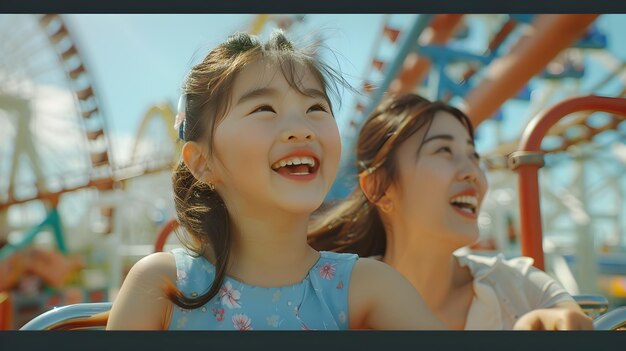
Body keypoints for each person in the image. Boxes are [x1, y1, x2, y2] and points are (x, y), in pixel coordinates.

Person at [106, 32, 446, 330]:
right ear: (202, 162)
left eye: (316, 107)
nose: (303, 127)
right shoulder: (163, 286)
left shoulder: (367, 287)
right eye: (264, 109)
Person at [308, 94, 593, 330]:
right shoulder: (330, 301)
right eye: (443, 150)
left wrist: (559, 322)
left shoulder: (519, 286)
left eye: (474, 156)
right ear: (379, 188)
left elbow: (569, 318)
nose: (473, 173)